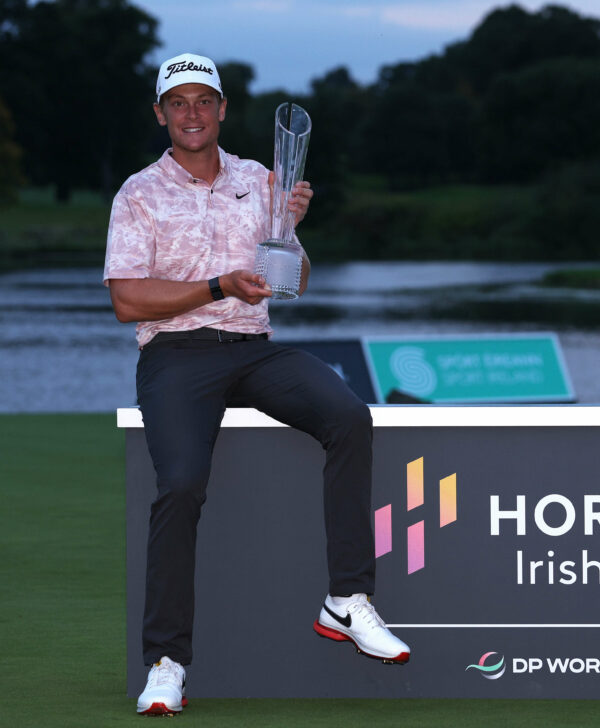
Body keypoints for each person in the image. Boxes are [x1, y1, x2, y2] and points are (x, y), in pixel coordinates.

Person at [104, 52, 409, 717]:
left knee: (349, 414)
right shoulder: (138, 193)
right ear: (160, 114)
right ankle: (167, 662)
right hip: (176, 357)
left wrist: (288, 228)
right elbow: (128, 300)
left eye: (203, 101)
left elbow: (292, 283)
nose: (191, 113)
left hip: (253, 346)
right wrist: (215, 285)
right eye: (177, 102)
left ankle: (347, 600)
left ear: (221, 110)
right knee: (181, 484)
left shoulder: (257, 178)